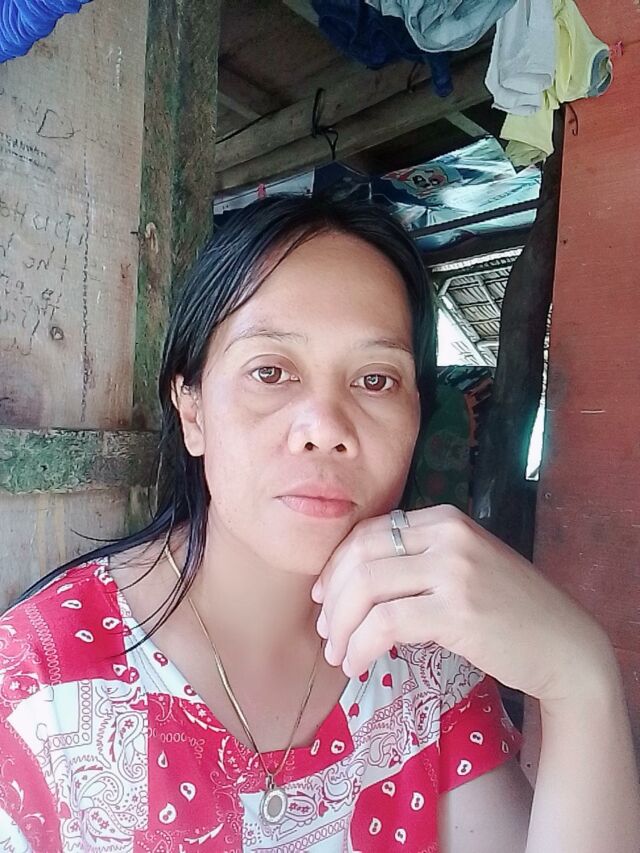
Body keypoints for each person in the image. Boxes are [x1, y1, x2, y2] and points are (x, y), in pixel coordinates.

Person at [0, 196, 637, 852]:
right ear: (192, 411)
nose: (326, 427)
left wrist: (580, 677)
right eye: (271, 371)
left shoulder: (424, 645)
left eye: (375, 380)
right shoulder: (34, 693)